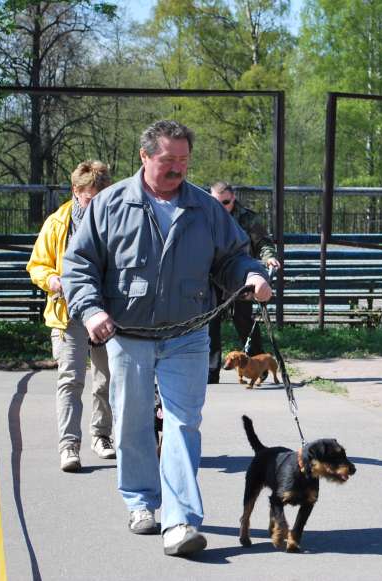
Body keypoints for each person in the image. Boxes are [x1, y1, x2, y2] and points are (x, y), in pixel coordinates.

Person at [61, 120, 272, 557]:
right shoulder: (110, 204)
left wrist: (251, 276)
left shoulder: (205, 207)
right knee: (132, 422)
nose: (177, 168)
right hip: (127, 336)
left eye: (183, 160)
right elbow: (78, 264)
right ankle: (140, 501)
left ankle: (180, 521)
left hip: (188, 335)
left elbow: (232, 257)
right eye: (167, 160)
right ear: (144, 156)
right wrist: (92, 310)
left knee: (182, 424)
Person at [27, 160, 115, 472]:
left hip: (106, 312)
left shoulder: (116, 219)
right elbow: (37, 264)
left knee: (106, 378)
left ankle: (101, 436)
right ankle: (69, 445)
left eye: (102, 197)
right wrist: (51, 279)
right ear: (76, 191)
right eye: (90, 198)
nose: (97, 204)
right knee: (71, 379)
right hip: (68, 314)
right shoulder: (56, 223)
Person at [207, 181, 281, 383]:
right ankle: (211, 372)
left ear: (233, 199)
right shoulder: (205, 216)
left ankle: (259, 366)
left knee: (243, 320)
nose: (222, 207)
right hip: (213, 276)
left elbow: (263, 242)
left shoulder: (247, 218)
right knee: (211, 322)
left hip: (240, 275)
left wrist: (269, 258)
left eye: (226, 202)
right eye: (216, 202)